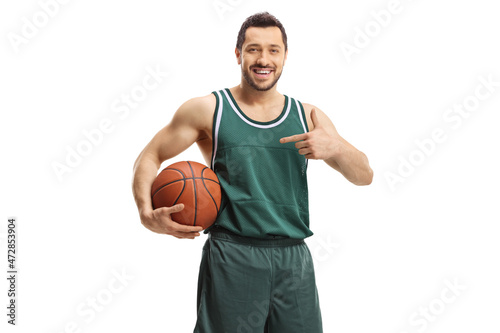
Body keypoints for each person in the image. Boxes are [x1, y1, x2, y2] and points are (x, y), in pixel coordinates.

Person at [132, 11, 373, 333]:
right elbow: (150, 156)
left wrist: (338, 148)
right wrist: (146, 212)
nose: (264, 58)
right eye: (253, 49)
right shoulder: (208, 109)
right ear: (238, 54)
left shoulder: (309, 115)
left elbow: (364, 176)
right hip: (233, 254)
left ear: (285, 56)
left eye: (274, 49)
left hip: (294, 257)